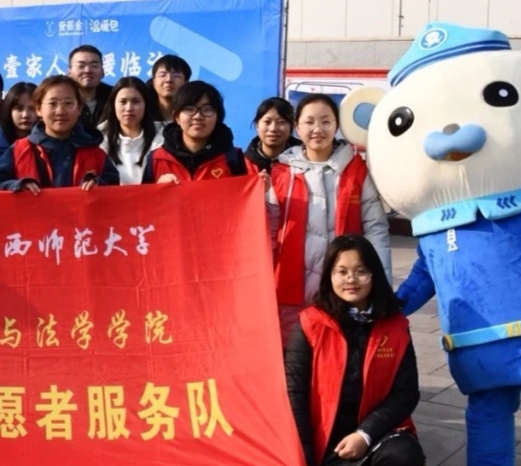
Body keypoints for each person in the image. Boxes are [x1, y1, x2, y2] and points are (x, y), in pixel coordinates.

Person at [285, 235, 424, 466]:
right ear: (329, 276)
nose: (351, 279)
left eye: (360, 271)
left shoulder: (395, 326)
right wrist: (305, 459)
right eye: (342, 271)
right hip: (328, 450)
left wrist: (365, 434)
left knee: (405, 458)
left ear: (374, 275)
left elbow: (407, 393)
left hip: (376, 438)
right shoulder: (311, 323)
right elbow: (293, 393)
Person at [269, 93, 391, 343]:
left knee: (339, 352)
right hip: (291, 288)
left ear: (336, 126)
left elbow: (375, 228)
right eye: (309, 122)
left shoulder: (356, 170)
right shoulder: (281, 173)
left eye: (326, 121)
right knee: (294, 354)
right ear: (297, 127)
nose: (317, 129)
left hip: (345, 286)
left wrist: (383, 284)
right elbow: (268, 233)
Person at [0, 75, 119, 192]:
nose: (60, 111)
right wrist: (17, 186)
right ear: (38, 109)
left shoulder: (95, 154)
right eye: (52, 103)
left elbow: (114, 189)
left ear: (79, 108)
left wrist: (98, 185)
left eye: (68, 103)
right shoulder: (19, 150)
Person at [142, 81, 253, 184]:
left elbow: (247, 196)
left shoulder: (234, 158)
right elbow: (144, 197)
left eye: (207, 109)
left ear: (217, 117)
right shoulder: (156, 159)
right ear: (177, 117)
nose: (198, 116)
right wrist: (158, 189)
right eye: (189, 109)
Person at [98, 77, 164, 186]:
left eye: (136, 101)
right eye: (123, 102)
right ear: (113, 104)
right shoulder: (98, 139)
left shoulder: (163, 137)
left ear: (146, 104)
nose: (129, 108)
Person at [0, 81, 38, 179]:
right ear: (8, 110)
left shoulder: (50, 148)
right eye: (19, 108)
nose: (25, 115)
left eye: (32, 108)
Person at [246, 97, 299, 174]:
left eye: (281, 122)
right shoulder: (242, 165)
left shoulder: (304, 162)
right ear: (257, 125)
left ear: (292, 126)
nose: (273, 129)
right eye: (267, 122)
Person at [67, 45, 111, 132]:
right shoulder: (60, 98)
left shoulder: (114, 97)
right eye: (81, 66)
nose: (87, 70)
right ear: (69, 72)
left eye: (94, 66)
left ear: (102, 72)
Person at [149, 55, 191, 121]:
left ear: (186, 83)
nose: (169, 80)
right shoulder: (142, 115)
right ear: (154, 82)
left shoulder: (193, 116)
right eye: (163, 75)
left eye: (176, 75)